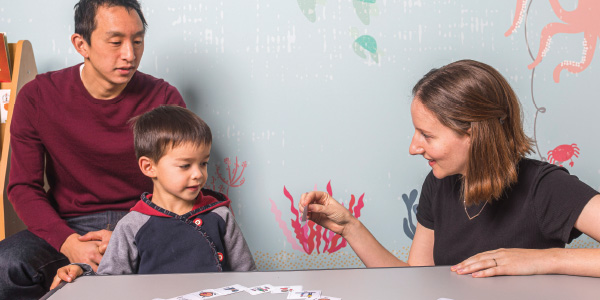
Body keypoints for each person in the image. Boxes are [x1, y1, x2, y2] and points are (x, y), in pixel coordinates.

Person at [299, 59, 600, 278]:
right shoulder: (439, 183)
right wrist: (350, 228)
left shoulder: (544, 187)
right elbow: (416, 283)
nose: (413, 148)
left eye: (427, 135)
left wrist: (544, 260)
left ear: (473, 134)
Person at [0, 0, 185, 298]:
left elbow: (180, 184)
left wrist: (131, 235)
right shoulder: (37, 96)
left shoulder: (164, 98)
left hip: (144, 219)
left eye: (138, 41)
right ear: (81, 44)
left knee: (195, 255)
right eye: (115, 42)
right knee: (5, 264)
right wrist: (67, 241)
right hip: (69, 224)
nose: (130, 54)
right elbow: (23, 187)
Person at [50, 105, 256, 289]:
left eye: (203, 163)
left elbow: (248, 276)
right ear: (149, 167)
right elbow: (108, 281)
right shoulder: (132, 225)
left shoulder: (220, 215)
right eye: (185, 165)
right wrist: (80, 270)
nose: (198, 174)